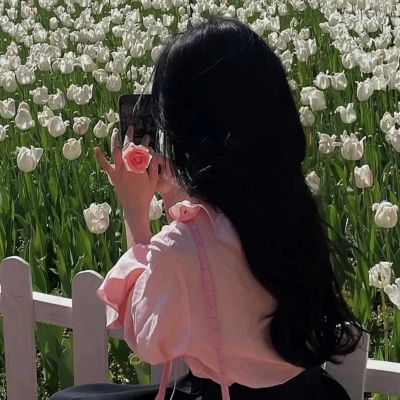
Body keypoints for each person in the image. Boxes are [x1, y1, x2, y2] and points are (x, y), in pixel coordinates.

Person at [50, 16, 365, 400]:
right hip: (309, 392)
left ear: (186, 134)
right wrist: (175, 195)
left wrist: (134, 209)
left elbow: (146, 334)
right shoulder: (292, 210)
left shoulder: (181, 248)